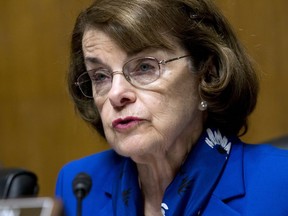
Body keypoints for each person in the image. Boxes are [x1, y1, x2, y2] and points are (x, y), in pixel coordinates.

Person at [55, 0, 288, 215]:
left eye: (145, 67)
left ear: (208, 73)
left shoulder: (279, 184)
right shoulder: (78, 187)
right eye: (100, 76)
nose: (116, 94)